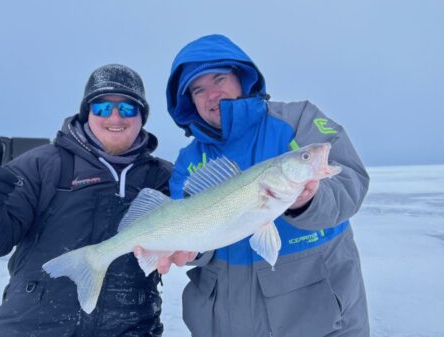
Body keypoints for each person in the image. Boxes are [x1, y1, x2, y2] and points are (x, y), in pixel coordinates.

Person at [153, 34, 370, 337]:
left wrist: (311, 200)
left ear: (242, 78)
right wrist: (188, 251)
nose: (212, 95)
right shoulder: (189, 160)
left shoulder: (298, 120)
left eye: (219, 79)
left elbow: (351, 181)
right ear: (189, 101)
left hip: (321, 322)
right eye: (198, 89)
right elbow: (193, 230)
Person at [0, 64, 172, 336]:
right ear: (87, 112)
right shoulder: (42, 165)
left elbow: (202, 237)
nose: (114, 117)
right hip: (31, 327)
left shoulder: (162, 176)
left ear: (141, 117)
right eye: (102, 107)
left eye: (127, 108)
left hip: (130, 329)